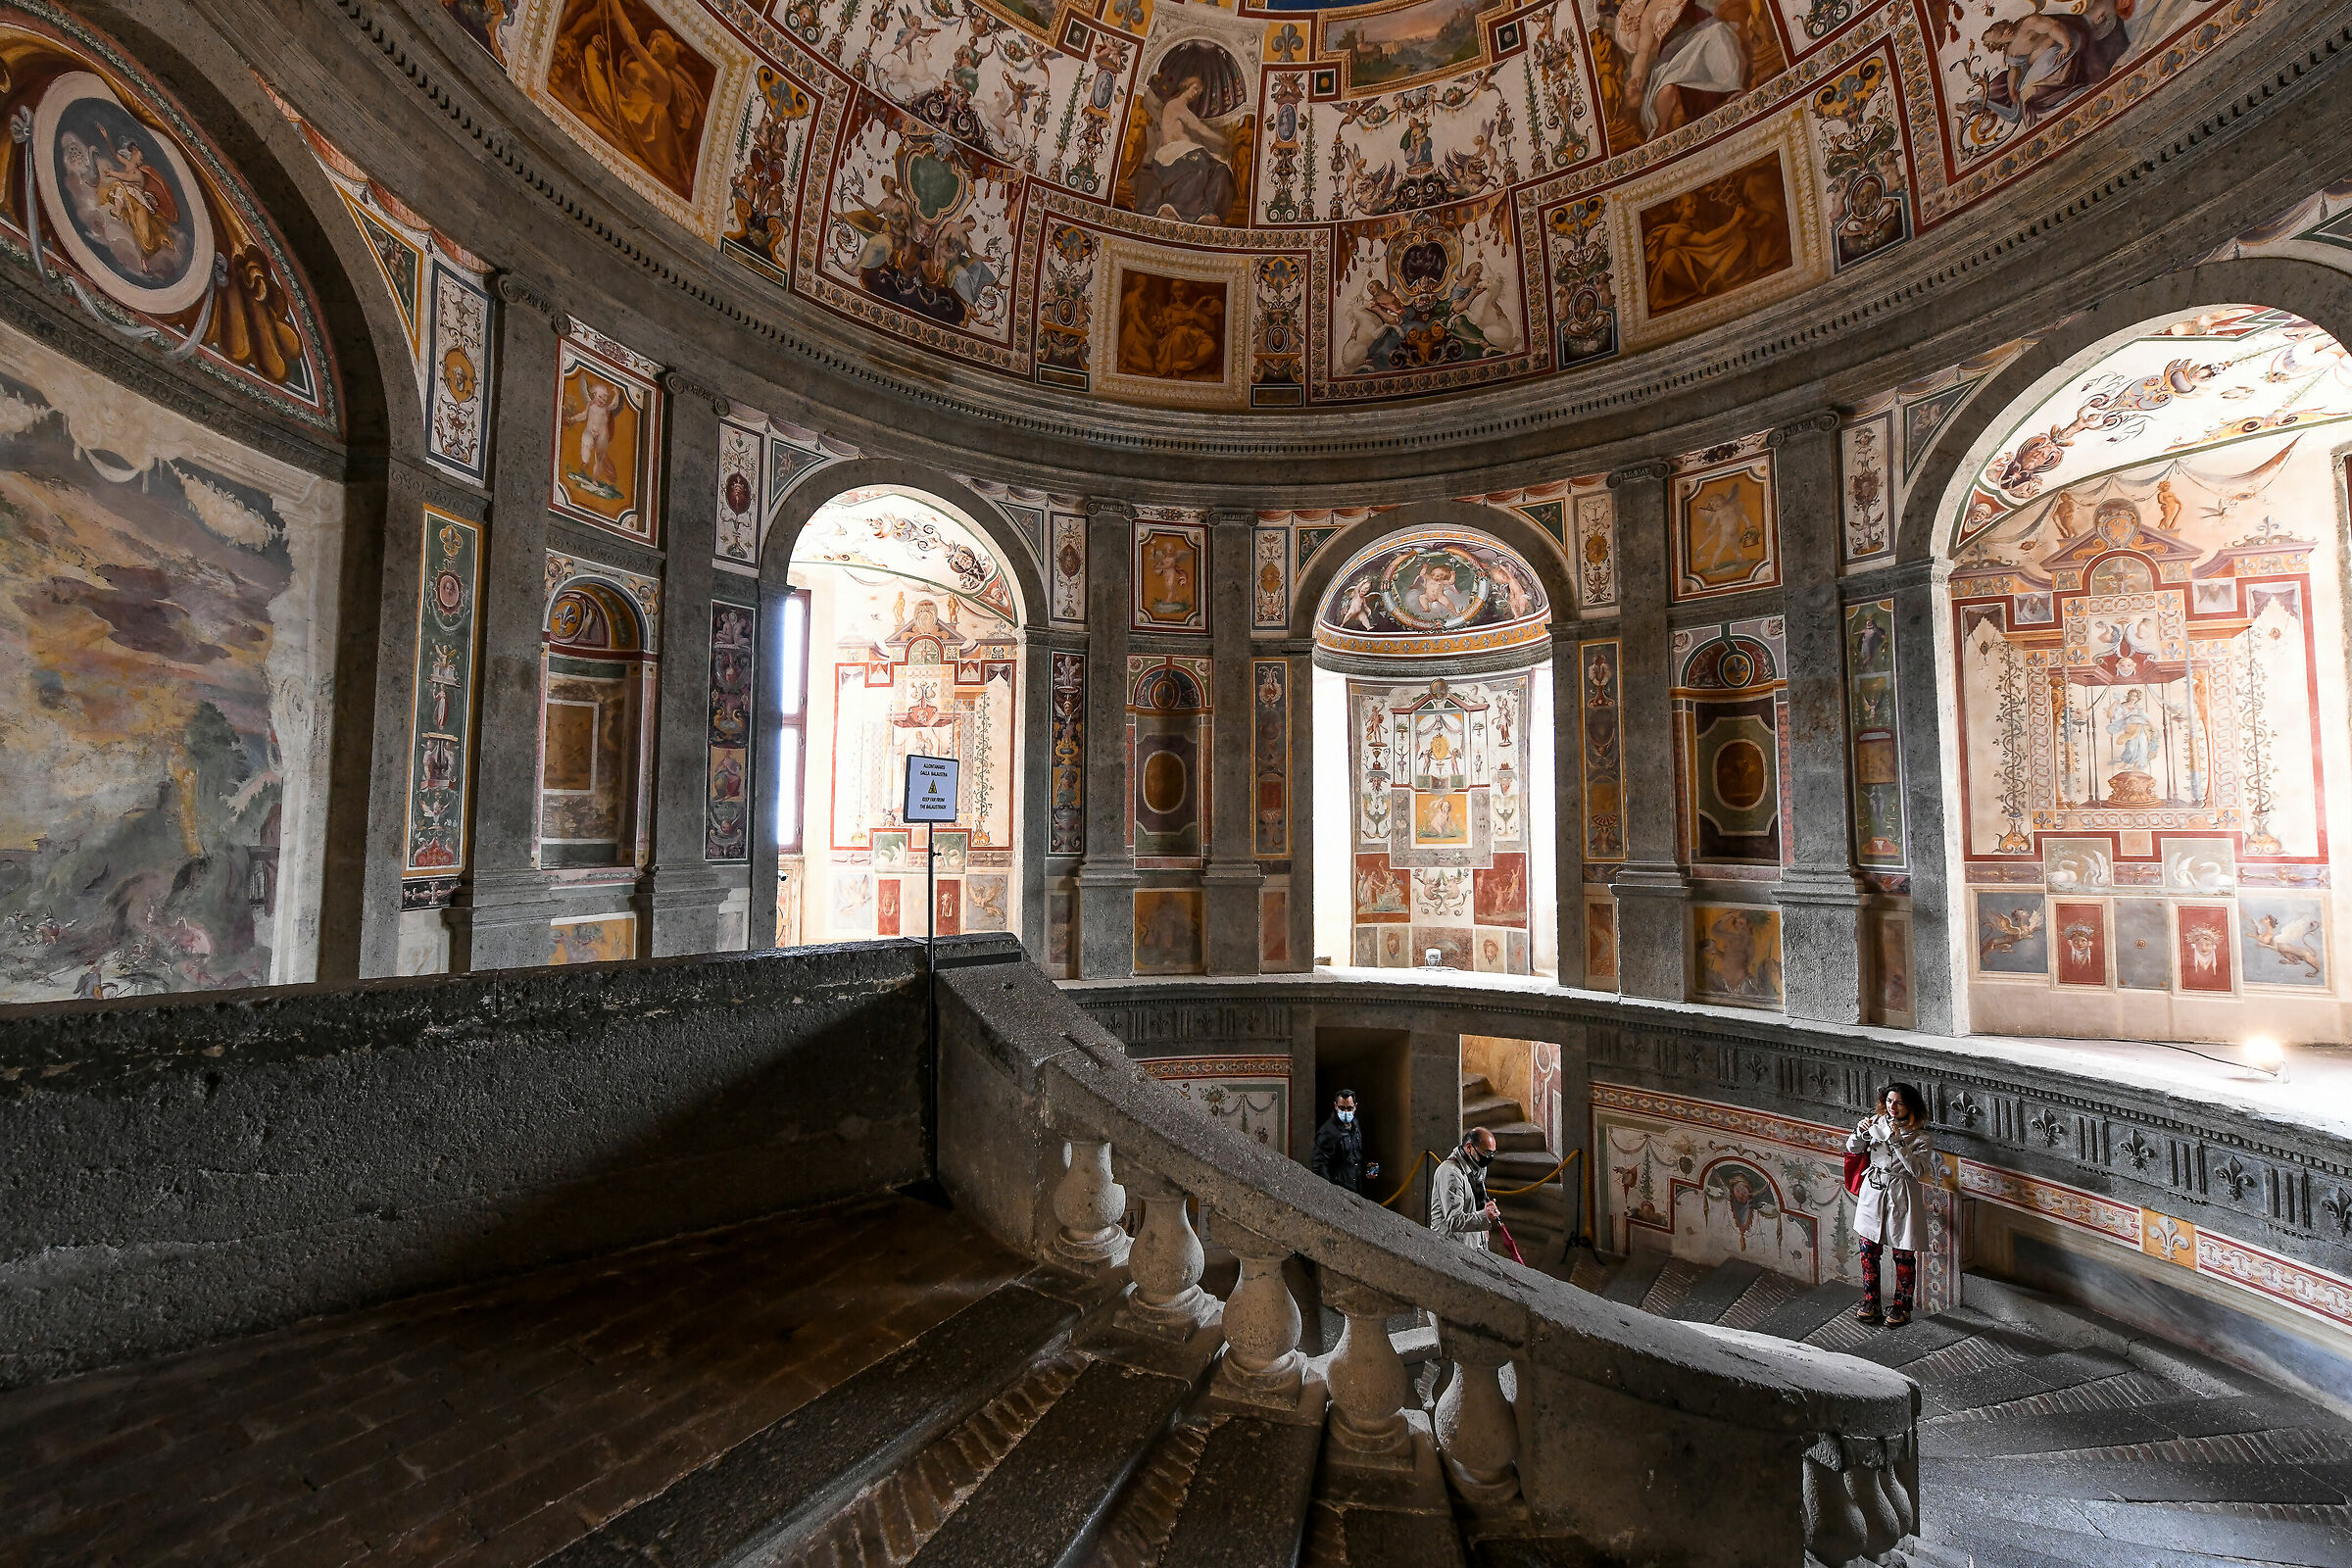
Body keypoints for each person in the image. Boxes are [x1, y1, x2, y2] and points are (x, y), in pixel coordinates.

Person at [1848, 1082, 1934, 1326]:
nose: (1892, 1107)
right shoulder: (1877, 1123)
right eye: (1888, 1101)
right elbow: (1852, 1148)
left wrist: (1897, 1142)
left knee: (1903, 1254)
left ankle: (1902, 1306)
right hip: (1874, 1191)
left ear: (1910, 1106)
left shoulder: (1921, 1137)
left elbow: (1917, 1169)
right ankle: (1870, 1301)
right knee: (1868, 1249)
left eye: (1898, 1102)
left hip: (1902, 1193)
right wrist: (1860, 1132)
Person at [1431, 1127, 1500, 1251]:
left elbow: (1474, 1205)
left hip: (1471, 1246)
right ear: (1469, 1148)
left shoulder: (1477, 1167)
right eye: (1486, 1153)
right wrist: (1484, 1216)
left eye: (1492, 1153)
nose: (1489, 1158)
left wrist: (1482, 1231)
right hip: (1451, 1250)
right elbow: (1454, 1221)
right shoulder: (1451, 1173)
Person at [1310, 1090, 1374, 1197]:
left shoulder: (1355, 1125)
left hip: (1355, 1187)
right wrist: (1330, 1193)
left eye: (1349, 1108)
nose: (1345, 1112)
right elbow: (1319, 1166)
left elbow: (1355, 1154)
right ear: (1335, 1106)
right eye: (1342, 1108)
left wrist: (1366, 1166)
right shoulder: (1328, 1132)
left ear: (1355, 1106)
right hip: (1339, 1191)